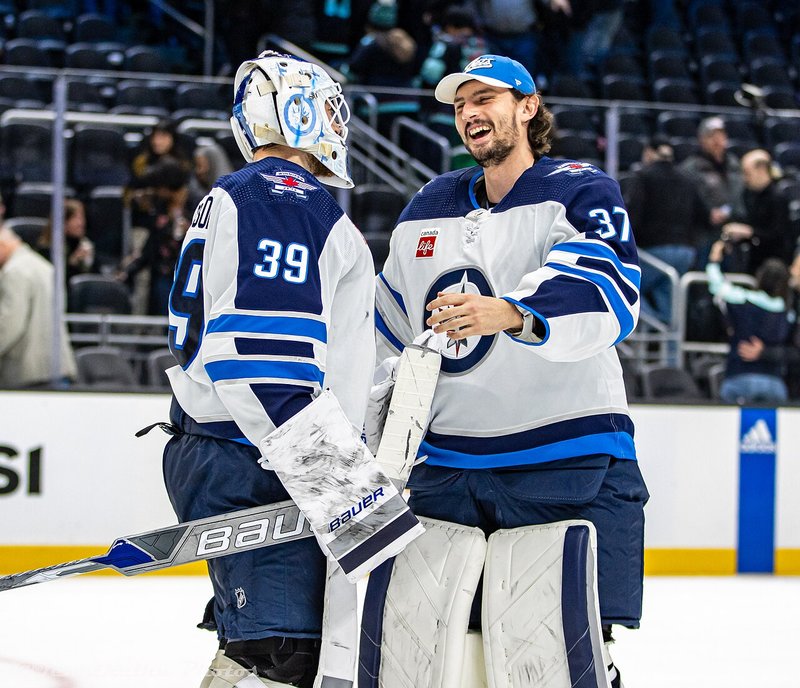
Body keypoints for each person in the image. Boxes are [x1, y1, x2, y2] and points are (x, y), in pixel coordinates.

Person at [373, 54, 647, 688]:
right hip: (447, 471)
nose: (471, 113)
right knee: (440, 657)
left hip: (563, 461)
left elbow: (608, 289)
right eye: (461, 103)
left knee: (554, 659)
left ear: (528, 108)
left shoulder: (581, 188)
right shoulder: (429, 205)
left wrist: (514, 313)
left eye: (486, 98)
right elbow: (390, 326)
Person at [161, 51, 375, 688]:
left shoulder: (238, 197)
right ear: (302, 114)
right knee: (285, 655)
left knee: (264, 649)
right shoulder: (284, 199)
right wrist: (343, 490)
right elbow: (263, 362)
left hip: (236, 450)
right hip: (261, 458)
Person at [624, 135, 710, 323]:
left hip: (654, 251)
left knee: (623, 287)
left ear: (649, 153)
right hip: (685, 253)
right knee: (670, 309)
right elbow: (705, 217)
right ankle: (668, 346)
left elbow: (632, 217)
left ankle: (654, 327)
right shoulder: (688, 179)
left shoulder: (643, 176)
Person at [706, 239, 792, 405]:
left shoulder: (743, 300)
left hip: (740, 376)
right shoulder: (786, 311)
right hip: (774, 382)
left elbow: (718, 286)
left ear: (760, 277)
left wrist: (714, 261)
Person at [0, 226, 77, 388]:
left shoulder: (14, 272)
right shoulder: (43, 265)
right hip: (57, 366)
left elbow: (9, 324)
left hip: (29, 373)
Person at [719, 148, 798, 275]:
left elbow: (778, 235)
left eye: (747, 173)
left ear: (761, 170)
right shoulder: (749, 195)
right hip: (755, 261)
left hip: (774, 266)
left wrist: (749, 232)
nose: (745, 179)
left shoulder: (778, 198)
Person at [680, 116, 745, 266]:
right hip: (703, 235)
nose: (717, 141)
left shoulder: (734, 165)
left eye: (720, 135)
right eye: (711, 136)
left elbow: (740, 196)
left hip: (732, 234)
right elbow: (687, 201)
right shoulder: (691, 168)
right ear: (702, 139)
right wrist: (707, 213)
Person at [36, 199, 98, 284]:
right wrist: (73, 262)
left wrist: (89, 262)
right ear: (63, 222)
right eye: (76, 218)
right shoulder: (47, 249)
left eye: (82, 217)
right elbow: (53, 280)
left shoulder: (84, 245)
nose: (81, 223)